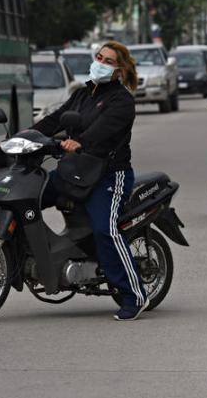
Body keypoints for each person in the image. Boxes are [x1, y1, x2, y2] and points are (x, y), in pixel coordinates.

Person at [32, 41, 149, 321]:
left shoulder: (122, 101)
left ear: (119, 70)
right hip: (74, 169)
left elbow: (101, 132)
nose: (100, 62)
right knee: (29, 195)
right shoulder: (83, 93)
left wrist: (78, 142)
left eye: (108, 60)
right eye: (99, 57)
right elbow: (57, 118)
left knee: (105, 229)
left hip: (108, 175)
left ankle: (135, 294)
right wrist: (28, 136)